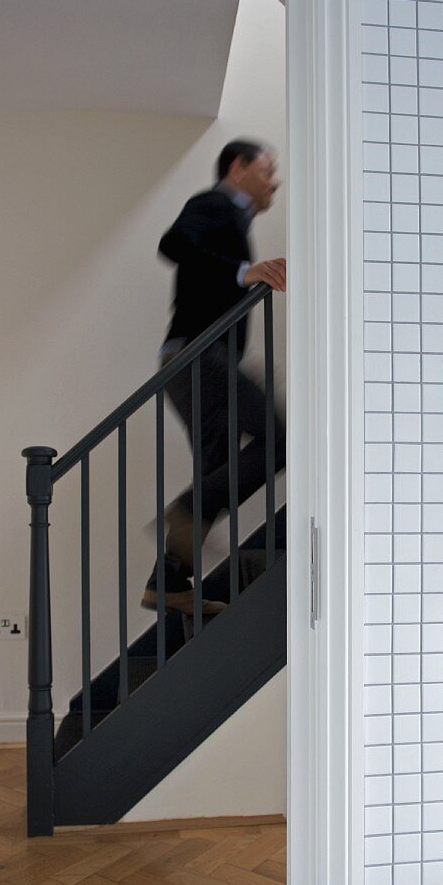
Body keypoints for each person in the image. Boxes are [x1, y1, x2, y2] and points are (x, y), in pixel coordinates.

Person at [141, 139, 287, 615]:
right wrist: (245, 272)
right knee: (280, 437)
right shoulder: (215, 203)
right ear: (238, 167)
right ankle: (184, 513)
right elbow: (173, 243)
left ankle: (167, 582)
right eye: (267, 170)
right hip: (197, 358)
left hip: (191, 361)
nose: (274, 181)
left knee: (216, 472)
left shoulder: (231, 217)